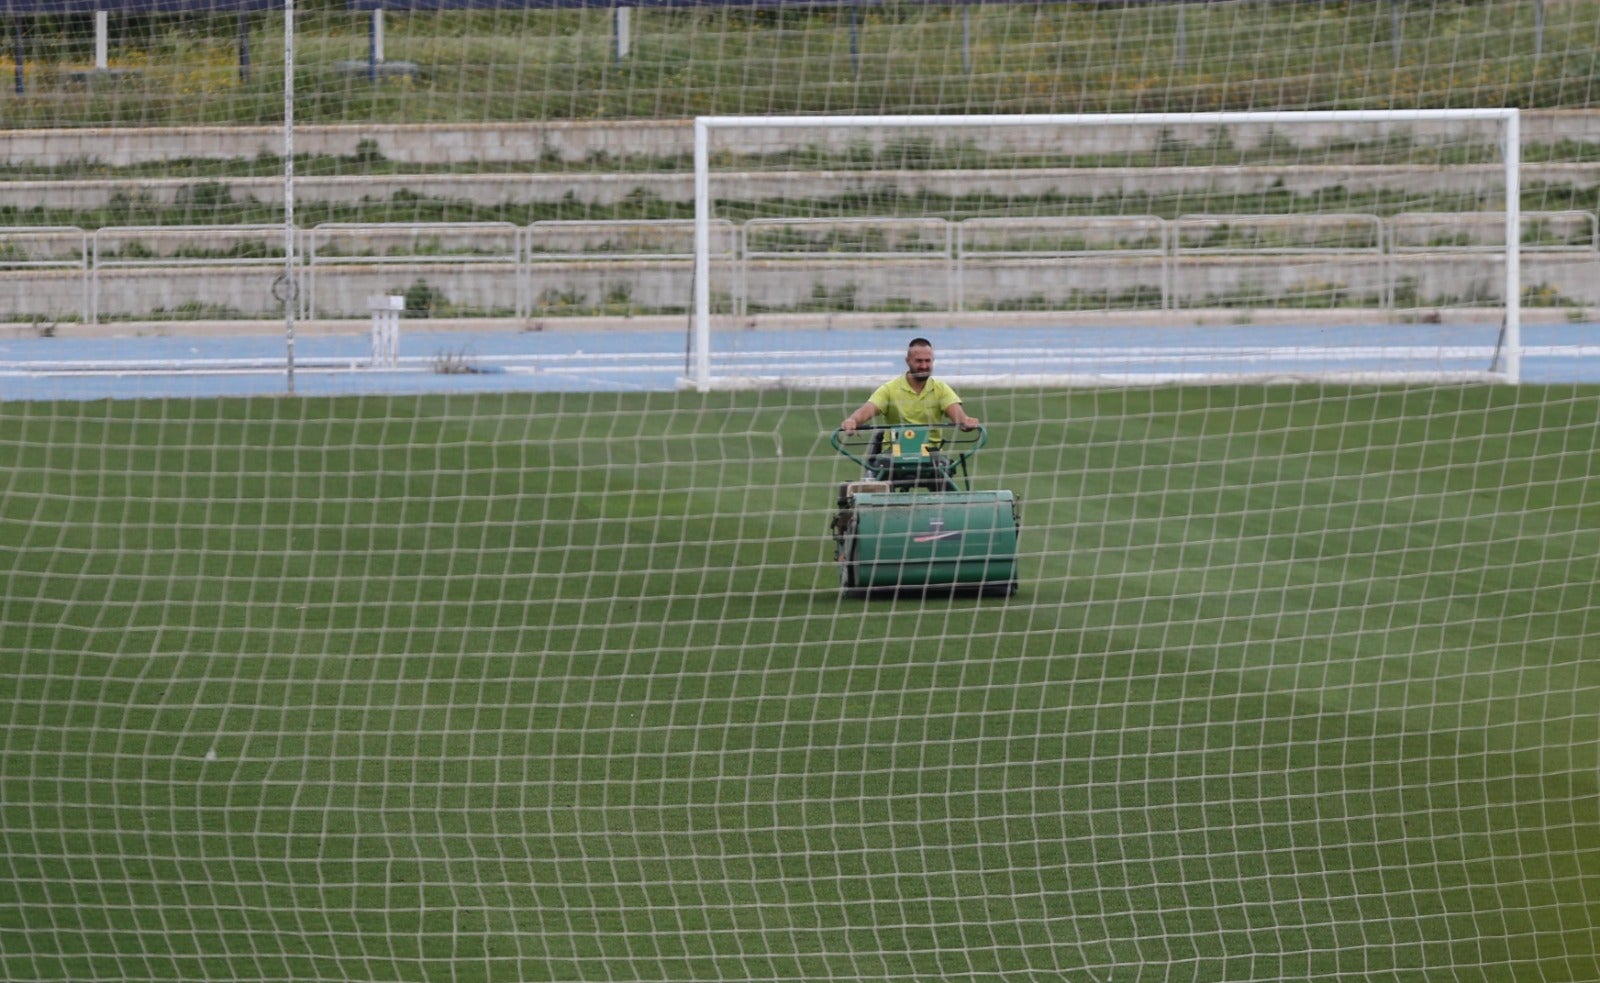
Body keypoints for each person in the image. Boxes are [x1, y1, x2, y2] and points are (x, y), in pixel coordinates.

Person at [838, 337, 980, 433]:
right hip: (894, 454)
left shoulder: (941, 389)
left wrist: (966, 421)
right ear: (907, 361)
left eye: (927, 361)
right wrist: (852, 421)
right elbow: (866, 411)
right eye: (919, 361)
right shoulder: (890, 389)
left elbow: (959, 417)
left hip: (931, 455)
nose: (924, 366)